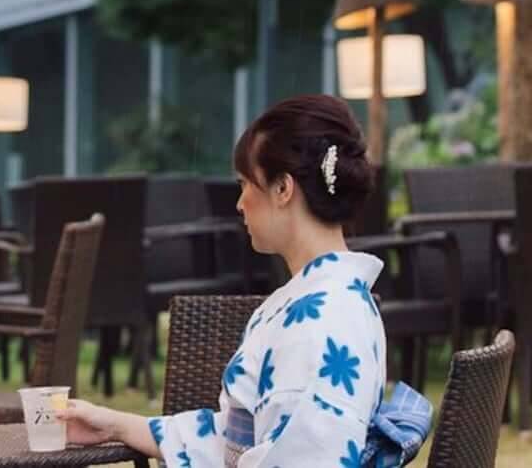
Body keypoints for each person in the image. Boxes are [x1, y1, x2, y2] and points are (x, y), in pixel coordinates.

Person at [60, 95, 390, 468]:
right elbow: (239, 442)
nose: (239, 203)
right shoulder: (332, 302)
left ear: (283, 189)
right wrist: (115, 425)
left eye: (244, 183)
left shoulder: (320, 321)